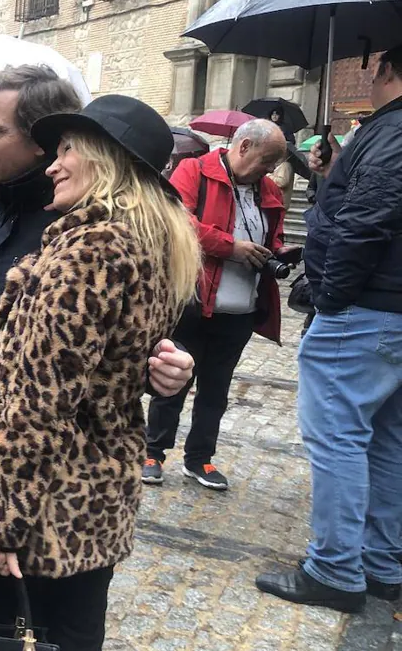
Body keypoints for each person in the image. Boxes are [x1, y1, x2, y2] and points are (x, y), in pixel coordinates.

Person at [0, 66, 196, 589]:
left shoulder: (80, 240)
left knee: (8, 622)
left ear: (40, 143)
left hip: (29, 484)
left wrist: (166, 364)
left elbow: (48, 393)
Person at [0, 94, 200, 651]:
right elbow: (127, 360)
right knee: (75, 634)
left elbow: (35, 402)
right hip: (92, 499)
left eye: (67, 150)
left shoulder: (89, 252)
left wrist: (0, 526)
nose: (53, 164)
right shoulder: (150, 243)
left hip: (39, 507)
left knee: (3, 637)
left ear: (108, 160)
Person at [255, 45, 402, 613]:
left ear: (386, 70)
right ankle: (378, 564)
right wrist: (332, 174)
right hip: (389, 309)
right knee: (386, 439)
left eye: (374, 70)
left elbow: (368, 220)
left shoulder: (390, 134)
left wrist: (333, 296)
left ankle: (337, 570)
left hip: (365, 309)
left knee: (338, 437)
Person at [144, 119, 288, 490]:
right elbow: (176, 221)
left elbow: (274, 236)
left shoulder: (267, 190)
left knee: (216, 389)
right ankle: (152, 452)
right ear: (243, 147)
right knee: (171, 380)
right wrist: (231, 246)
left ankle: (200, 459)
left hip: (239, 310)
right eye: (266, 160)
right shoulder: (194, 171)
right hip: (191, 302)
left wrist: (280, 251)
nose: (269, 170)